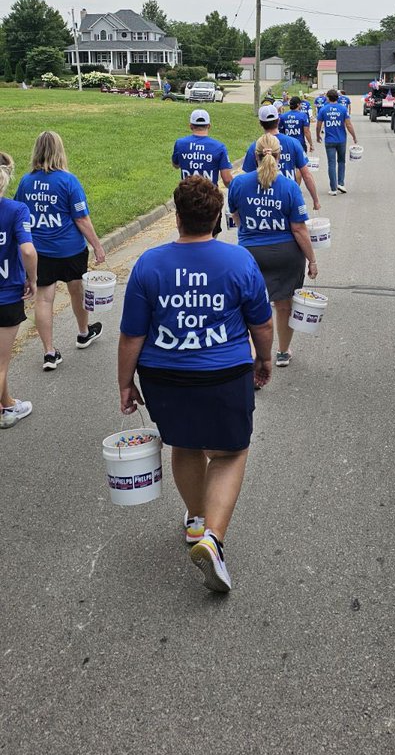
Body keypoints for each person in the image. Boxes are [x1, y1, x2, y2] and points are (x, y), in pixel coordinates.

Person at [118, 175, 273, 594]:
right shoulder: (239, 261)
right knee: (230, 452)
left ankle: (196, 519)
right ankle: (213, 539)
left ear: (177, 215)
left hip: (164, 376)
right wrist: (264, 359)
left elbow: (132, 334)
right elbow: (261, 321)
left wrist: (125, 383)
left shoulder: (149, 263)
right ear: (217, 215)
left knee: (185, 444)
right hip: (224, 374)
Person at [15, 131, 106, 371]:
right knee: (76, 290)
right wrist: (97, 245)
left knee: (44, 299)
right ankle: (83, 333)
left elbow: (19, 214)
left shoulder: (26, 182)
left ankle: (49, 352)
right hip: (70, 250)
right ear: (60, 151)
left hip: (40, 251)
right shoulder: (68, 181)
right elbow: (82, 219)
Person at [228, 134, 317, 368]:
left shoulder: (238, 183)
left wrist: (250, 230)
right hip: (286, 255)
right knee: (284, 305)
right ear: (279, 157)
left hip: (250, 253)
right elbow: (299, 229)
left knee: (251, 307)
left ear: (254, 156)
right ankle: (283, 352)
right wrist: (312, 260)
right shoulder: (289, 186)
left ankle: (255, 355)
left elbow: (236, 217)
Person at [0, 153, 37, 427]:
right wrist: (32, 278)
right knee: (1, 363)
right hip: (6, 295)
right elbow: (27, 249)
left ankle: (9, 404)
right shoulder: (15, 210)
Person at [242, 106, 320, 212]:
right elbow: (306, 175)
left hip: (263, 199)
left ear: (260, 123)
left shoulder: (255, 146)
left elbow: (247, 178)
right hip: (288, 195)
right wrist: (315, 200)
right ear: (278, 120)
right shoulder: (293, 143)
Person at [172, 110, 233, 236]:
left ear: (190, 126)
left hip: (186, 197)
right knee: (211, 238)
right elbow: (227, 179)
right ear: (209, 126)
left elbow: (175, 164)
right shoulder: (219, 147)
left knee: (186, 236)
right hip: (209, 200)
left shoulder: (180, 144)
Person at [316, 88, 358, 195]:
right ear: (338, 98)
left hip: (329, 140)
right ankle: (341, 183)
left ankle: (333, 188)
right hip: (341, 139)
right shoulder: (343, 109)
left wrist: (317, 136)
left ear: (328, 98)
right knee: (341, 161)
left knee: (331, 163)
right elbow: (348, 125)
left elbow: (319, 125)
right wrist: (354, 136)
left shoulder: (323, 110)